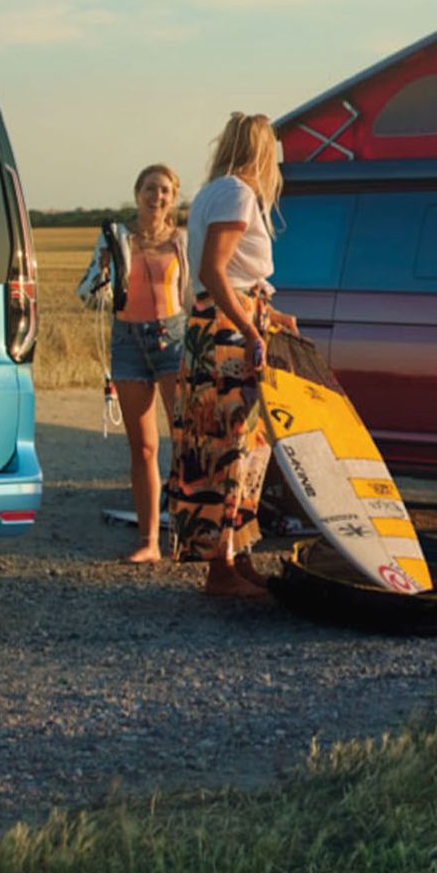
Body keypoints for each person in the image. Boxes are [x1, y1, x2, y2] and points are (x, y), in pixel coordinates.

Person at [165, 113, 299, 597]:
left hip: (221, 324)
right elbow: (215, 271)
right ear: (262, 150)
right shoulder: (238, 193)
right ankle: (220, 571)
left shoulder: (212, 192)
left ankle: (236, 558)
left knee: (244, 448)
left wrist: (272, 315)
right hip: (226, 334)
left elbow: (231, 276)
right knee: (230, 446)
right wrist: (250, 328)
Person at [79, 164, 188, 563]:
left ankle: (189, 535)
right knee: (142, 448)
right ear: (136, 192)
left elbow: (191, 296)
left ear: (172, 199)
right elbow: (88, 294)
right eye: (149, 189)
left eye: (164, 191)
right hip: (127, 342)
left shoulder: (181, 241)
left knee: (185, 440)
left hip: (172, 340)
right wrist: (102, 271)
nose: (156, 197)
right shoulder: (115, 236)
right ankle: (150, 541)